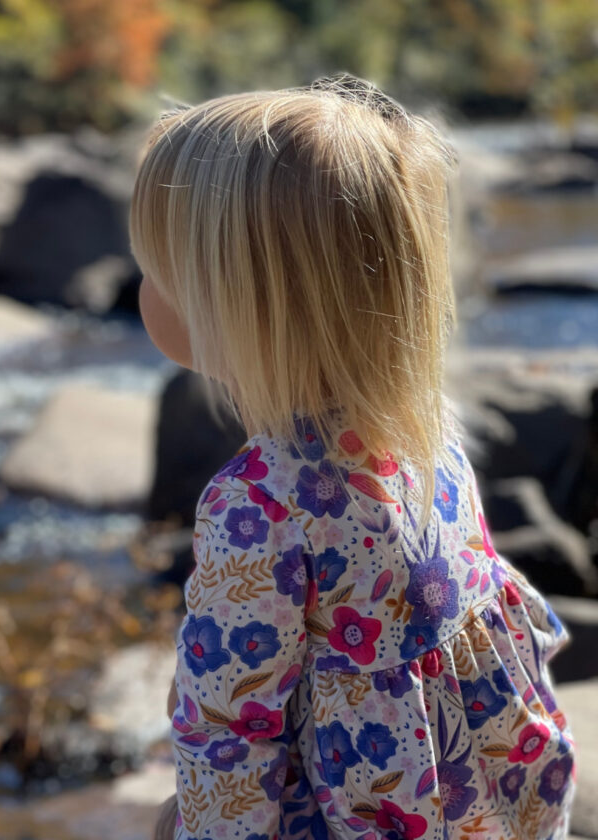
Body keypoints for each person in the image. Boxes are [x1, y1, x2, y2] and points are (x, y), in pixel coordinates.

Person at [128, 75, 577, 840]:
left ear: (237, 306)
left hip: (355, 812)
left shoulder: (258, 506)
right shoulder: (430, 428)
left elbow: (230, 732)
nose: (141, 290)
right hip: (478, 800)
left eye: (157, 272)